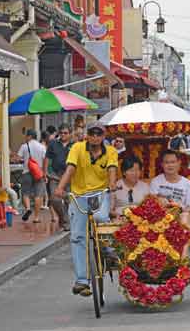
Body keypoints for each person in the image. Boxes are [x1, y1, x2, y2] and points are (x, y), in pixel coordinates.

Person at [55, 122, 118, 297]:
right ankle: (82, 280)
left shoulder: (110, 151)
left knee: (100, 218)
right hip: (79, 195)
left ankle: (106, 248)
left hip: (100, 194)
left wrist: (112, 184)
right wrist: (60, 188)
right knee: (77, 236)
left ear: (104, 136)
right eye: (92, 133)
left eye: (99, 134)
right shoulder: (77, 148)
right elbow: (70, 169)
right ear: (87, 135)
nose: (95, 137)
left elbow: (112, 169)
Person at [43, 123, 73, 231]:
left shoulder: (75, 145)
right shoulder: (53, 144)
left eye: (66, 133)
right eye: (61, 133)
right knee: (54, 199)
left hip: (70, 176)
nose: (63, 135)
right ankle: (63, 218)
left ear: (70, 134)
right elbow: (47, 158)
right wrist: (45, 172)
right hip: (55, 175)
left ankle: (65, 221)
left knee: (69, 200)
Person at [17, 129, 46, 223]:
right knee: (38, 195)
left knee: (25, 193)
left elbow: (17, 158)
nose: (25, 137)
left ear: (29, 136)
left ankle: (28, 208)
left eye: (26, 136)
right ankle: (36, 217)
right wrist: (44, 172)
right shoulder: (42, 147)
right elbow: (45, 159)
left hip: (27, 172)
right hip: (39, 173)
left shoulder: (24, 146)